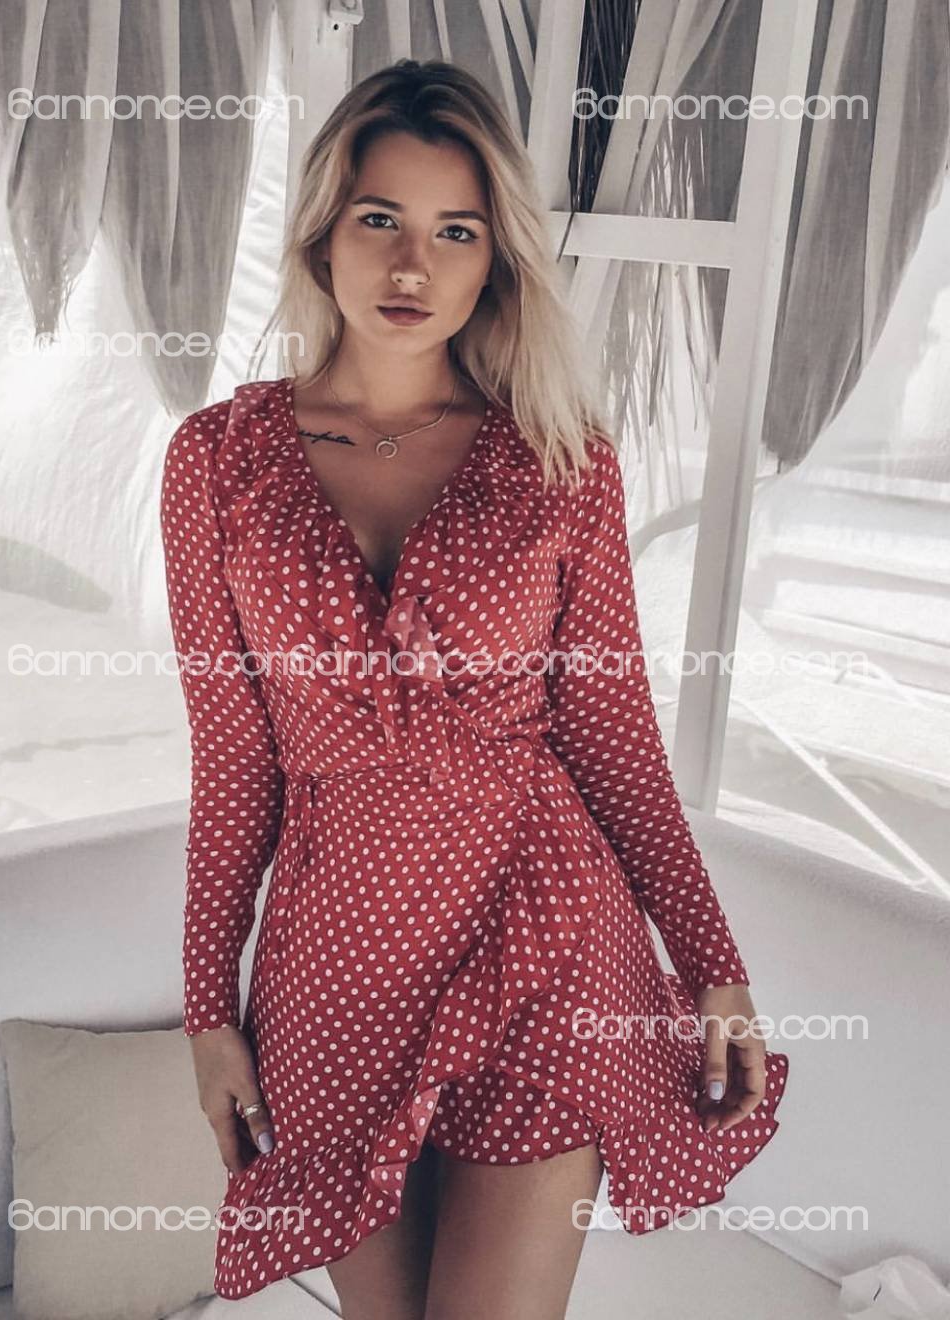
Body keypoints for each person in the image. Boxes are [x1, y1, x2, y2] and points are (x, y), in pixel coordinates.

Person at [160, 58, 789, 1320]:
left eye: (456, 231)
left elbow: (612, 737)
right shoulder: (216, 462)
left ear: (494, 258)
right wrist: (206, 1014)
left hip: (542, 929)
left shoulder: (560, 457)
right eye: (379, 219)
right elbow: (234, 765)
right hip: (338, 965)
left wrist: (711, 961)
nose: (413, 266)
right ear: (321, 234)